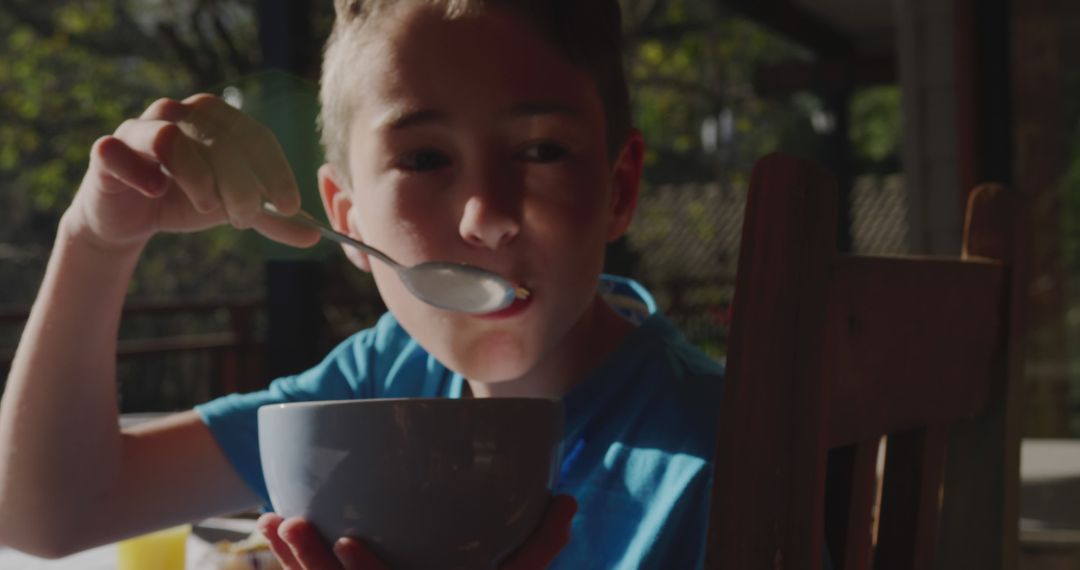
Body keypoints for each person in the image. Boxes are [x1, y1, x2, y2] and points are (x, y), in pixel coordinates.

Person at [0, 0, 725, 568]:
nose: (486, 216)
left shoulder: (725, 454)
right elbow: (49, 513)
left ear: (618, 188)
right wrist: (97, 239)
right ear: (347, 217)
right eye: (424, 160)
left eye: (540, 150)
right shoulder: (383, 381)